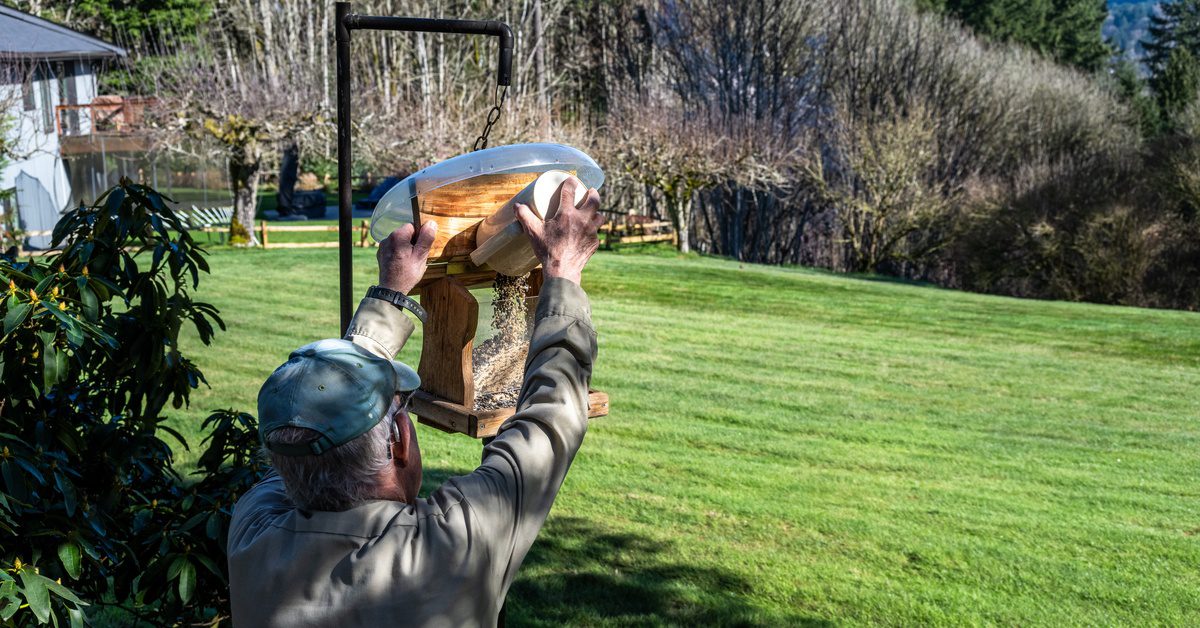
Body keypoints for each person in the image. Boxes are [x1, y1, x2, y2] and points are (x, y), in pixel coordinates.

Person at [226, 177, 606, 627]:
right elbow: (551, 420)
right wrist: (561, 273)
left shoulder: (251, 532)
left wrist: (391, 293)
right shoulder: (447, 547)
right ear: (399, 442)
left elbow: (306, 423)